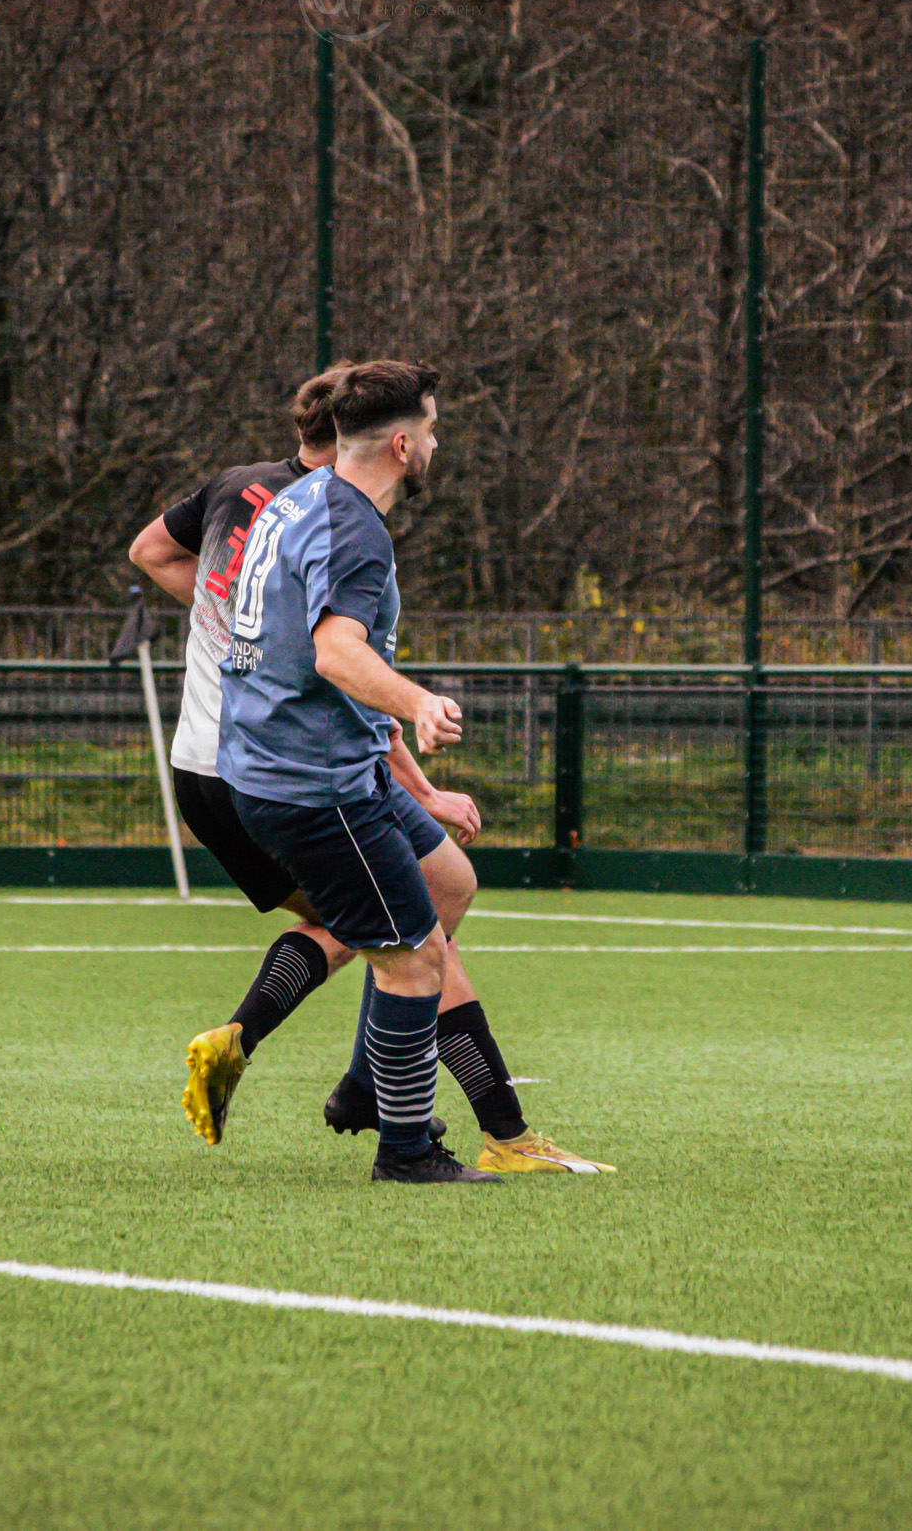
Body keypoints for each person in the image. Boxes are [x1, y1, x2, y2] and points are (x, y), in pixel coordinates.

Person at [130, 367, 605, 1174]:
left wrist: (408, 774)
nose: (435, 443)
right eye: (431, 429)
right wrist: (418, 701)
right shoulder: (355, 530)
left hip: (297, 766)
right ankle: (408, 1145)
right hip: (313, 782)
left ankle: (389, 1096)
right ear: (400, 444)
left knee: (445, 886)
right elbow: (334, 652)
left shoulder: (291, 502)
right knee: (412, 953)